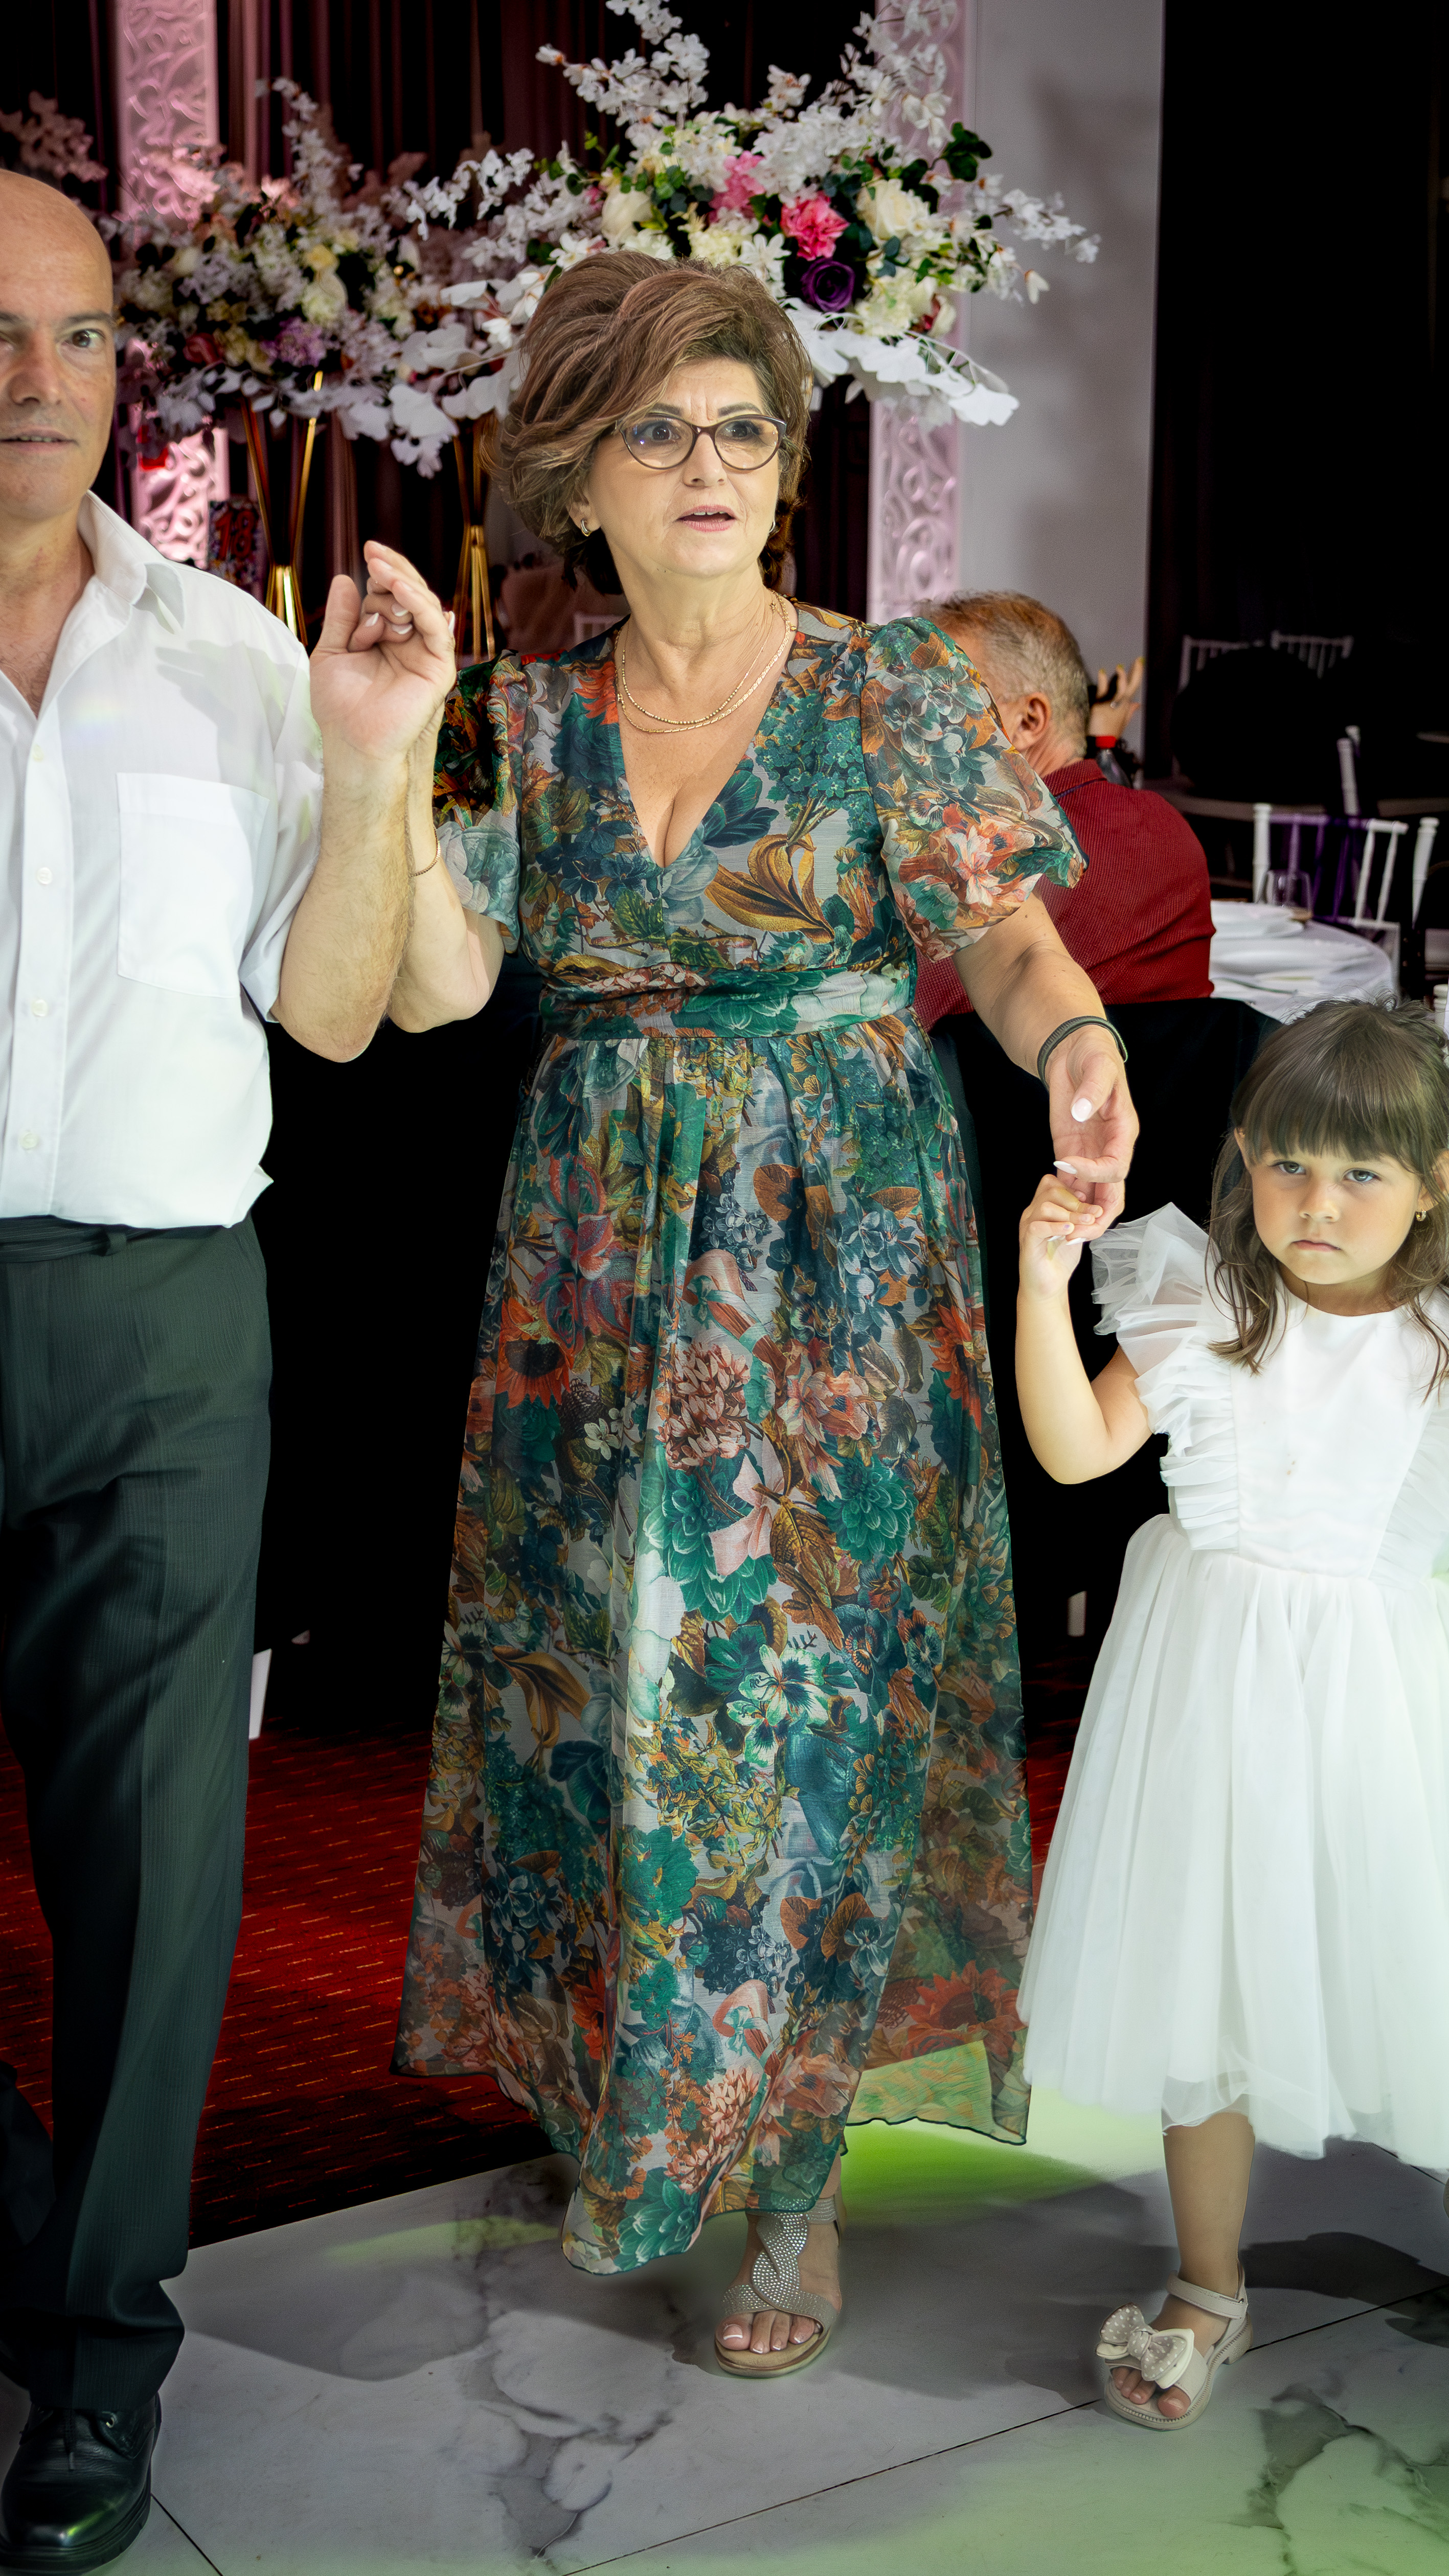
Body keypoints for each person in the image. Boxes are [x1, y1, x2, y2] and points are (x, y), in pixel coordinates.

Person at [372, 249, 1138, 2378]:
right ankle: (634, 2084)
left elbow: (1008, 946)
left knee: (804, 1706)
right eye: (657, 429)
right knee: (601, 1681)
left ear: (786, 466)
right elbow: (437, 978)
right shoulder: (516, 718)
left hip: (835, 1259)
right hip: (591, 1267)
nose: (709, 464)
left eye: (741, 427)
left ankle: (790, 2161)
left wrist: (1079, 1040)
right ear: (576, 476)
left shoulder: (889, 690)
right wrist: (381, 772)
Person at [0, 171, 448, 2568]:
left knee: (159, 1870)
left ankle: (97, 2361)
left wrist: (373, 758)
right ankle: (33, 2216)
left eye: (78, 334)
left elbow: (344, 1005)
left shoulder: (235, 659)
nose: (37, 380)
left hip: (169, 1317)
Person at [1014, 998, 1449, 2427]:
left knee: (1409, 1968)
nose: (1316, 1204)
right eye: (1287, 1164)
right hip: (1205, 1705)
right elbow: (1074, 1447)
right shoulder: (1200, 1299)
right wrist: (1041, 1280)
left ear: (1432, 1184)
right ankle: (1207, 2280)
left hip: (1379, 1713)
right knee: (1202, 1994)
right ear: (1243, 1159)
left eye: (1361, 1173)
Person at [912, 594, 1213, 1032]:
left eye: (937, 700)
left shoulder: (1005, 850)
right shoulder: (1169, 826)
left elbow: (898, 1019)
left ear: (1029, 721)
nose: (906, 728)